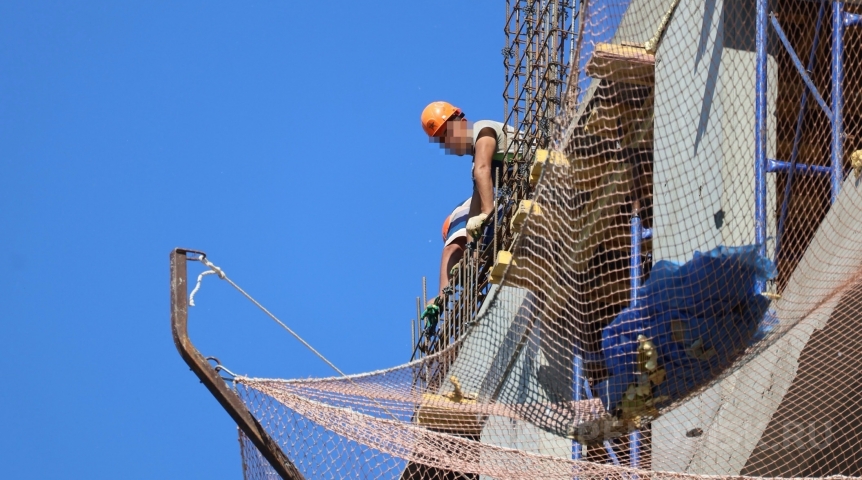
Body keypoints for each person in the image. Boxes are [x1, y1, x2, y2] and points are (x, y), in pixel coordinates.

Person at [421, 101, 516, 241]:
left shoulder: (483, 129)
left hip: (541, 167)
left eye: (447, 133)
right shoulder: (476, 166)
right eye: (441, 139)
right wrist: (472, 254)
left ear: (463, 122)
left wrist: (488, 215)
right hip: (526, 183)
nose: (447, 142)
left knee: (494, 230)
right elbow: (474, 213)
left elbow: (483, 169)